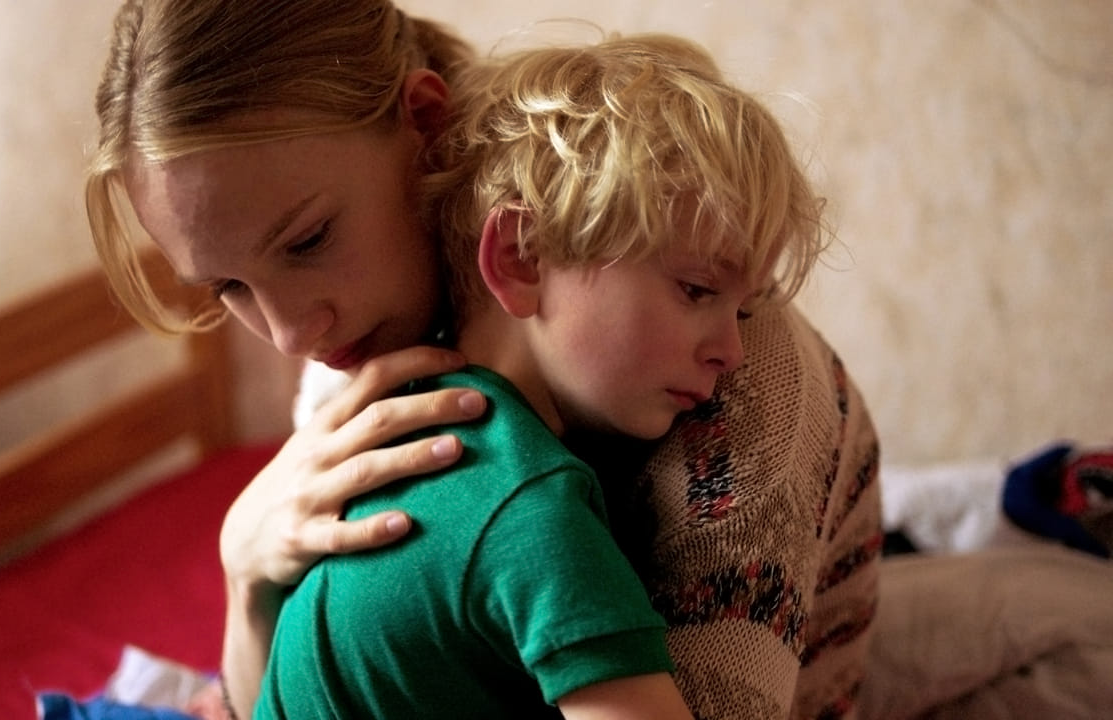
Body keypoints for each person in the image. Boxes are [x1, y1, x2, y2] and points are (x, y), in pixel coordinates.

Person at [86, 1, 881, 719]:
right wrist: (244, 575)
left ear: (425, 120)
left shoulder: (731, 377)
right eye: (228, 286)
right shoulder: (357, 358)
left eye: (308, 240)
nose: (291, 336)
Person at [249, 32, 825, 720]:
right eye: (697, 290)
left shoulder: (425, 434)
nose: (734, 352)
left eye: (743, 310)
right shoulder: (529, 509)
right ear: (520, 257)